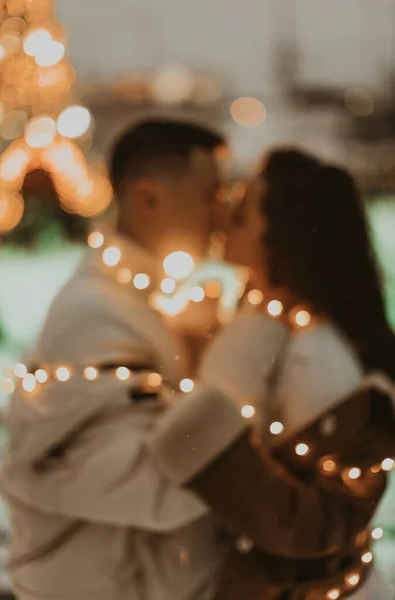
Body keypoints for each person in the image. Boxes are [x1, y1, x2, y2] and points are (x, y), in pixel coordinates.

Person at [0, 123, 376, 600]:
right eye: (211, 194)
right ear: (148, 198)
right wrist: (242, 348)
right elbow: (166, 488)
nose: (223, 213)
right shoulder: (96, 315)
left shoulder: (148, 302)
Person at [192, 148, 395, 598]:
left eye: (242, 214)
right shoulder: (266, 327)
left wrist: (194, 446)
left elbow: (312, 524)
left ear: (280, 237)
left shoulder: (313, 356)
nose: (224, 220)